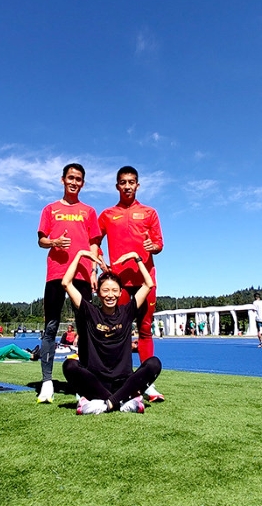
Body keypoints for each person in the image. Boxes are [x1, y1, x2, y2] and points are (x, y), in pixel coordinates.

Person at [62, 249, 162, 414]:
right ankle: (122, 401)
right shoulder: (90, 311)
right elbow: (66, 283)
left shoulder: (127, 311)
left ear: (121, 292)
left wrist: (136, 258)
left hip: (124, 381)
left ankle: (106, 403)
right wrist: (79, 255)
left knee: (154, 363)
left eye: (115, 290)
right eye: (105, 290)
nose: (110, 295)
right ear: (98, 293)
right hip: (96, 382)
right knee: (69, 365)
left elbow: (148, 284)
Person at [97, 165, 165, 402]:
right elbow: (94, 240)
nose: (127, 186)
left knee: (145, 329)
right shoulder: (107, 215)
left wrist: (153, 246)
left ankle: (148, 384)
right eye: (123, 182)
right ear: (117, 186)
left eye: (131, 182)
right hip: (120, 284)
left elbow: (159, 244)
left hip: (145, 281)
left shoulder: (149, 213)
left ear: (138, 185)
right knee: (118, 332)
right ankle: (119, 379)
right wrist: (100, 259)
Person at [36, 163, 101, 403]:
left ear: (83, 183)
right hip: (56, 273)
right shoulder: (50, 209)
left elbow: (94, 243)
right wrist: (54, 242)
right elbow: (41, 241)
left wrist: (93, 270)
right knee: (51, 327)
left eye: (78, 179)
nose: (74, 182)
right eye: (70, 178)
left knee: (85, 328)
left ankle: (83, 381)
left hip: (82, 274)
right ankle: (47, 382)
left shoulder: (89, 211)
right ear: (62, 180)